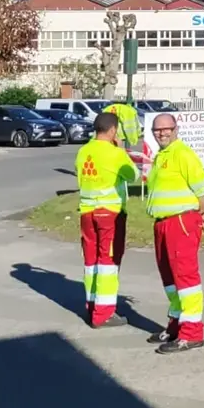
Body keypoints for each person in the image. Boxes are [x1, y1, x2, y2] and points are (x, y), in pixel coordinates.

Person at [145, 113, 204, 353]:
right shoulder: (161, 156)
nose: (162, 133)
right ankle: (175, 324)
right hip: (163, 224)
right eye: (157, 130)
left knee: (186, 279)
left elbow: (203, 191)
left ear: (176, 129)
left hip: (181, 222)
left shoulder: (183, 154)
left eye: (166, 129)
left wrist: (199, 216)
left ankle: (191, 332)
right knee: (170, 280)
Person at [76, 112, 140, 328]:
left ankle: (92, 306)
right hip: (110, 213)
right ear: (113, 130)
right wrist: (121, 150)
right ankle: (103, 314)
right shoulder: (115, 153)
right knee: (108, 263)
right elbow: (133, 175)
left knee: (91, 262)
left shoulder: (83, 151)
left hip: (87, 212)